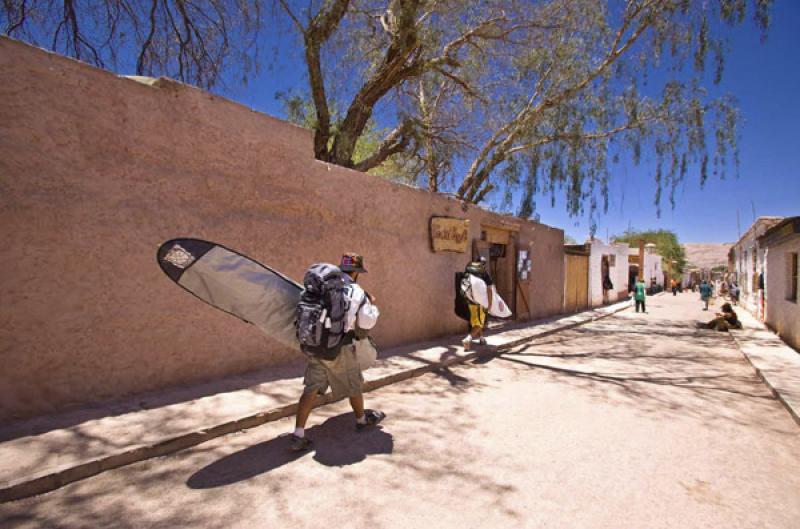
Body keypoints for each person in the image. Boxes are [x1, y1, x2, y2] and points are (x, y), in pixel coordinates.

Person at [290, 253, 385, 451]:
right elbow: (366, 322)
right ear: (356, 273)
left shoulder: (322, 284)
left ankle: (298, 434)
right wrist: (372, 306)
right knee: (354, 383)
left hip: (315, 344)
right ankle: (361, 420)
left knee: (311, 387)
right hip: (339, 347)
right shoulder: (357, 291)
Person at [462, 257, 493, 351]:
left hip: (470, 301)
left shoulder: (469, 272)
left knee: (477, 321)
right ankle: (468, 339)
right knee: (480, 324)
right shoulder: (484, 274)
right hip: (480, 303)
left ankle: (481, 339)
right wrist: (490, 304)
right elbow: (489, 290)